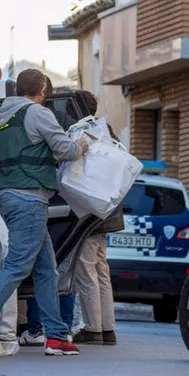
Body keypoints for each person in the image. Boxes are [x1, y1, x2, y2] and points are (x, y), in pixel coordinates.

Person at [0, 69, 88, 358]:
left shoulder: (2, 117)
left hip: (7, 194)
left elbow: (24, 150)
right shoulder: (37, 113)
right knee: (17, 266)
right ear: (42, 89)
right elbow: (65, 149)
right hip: (28, 196)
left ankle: (55, 336)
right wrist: (82, 145)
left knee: (45, 269)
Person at [70, 90, 122, 345]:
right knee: (101, 270)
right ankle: (107, 328)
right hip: (107, 210)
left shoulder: (86, 131)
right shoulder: (106, 129)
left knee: (86, 269)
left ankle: (93, 329)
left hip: (91, 211)